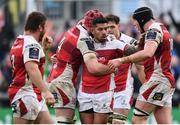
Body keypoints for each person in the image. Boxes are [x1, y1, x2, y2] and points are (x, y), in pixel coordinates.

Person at [47, 9, 116, 124]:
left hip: (57, 77)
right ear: (92, 28)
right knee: (65, 122)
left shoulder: (76, 28)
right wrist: (112, 67)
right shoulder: (84, 39)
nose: (104, 31)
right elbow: (92, 68)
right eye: (99, 28)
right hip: (64, 81)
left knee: (66, 121)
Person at [108, 7, 175, 124]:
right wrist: (138, 48)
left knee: (138, 120)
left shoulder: (152, 30)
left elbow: (148, 53)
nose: (136, 28)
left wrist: (121, 60)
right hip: (165, 81)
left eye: (135, 24)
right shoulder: (162, 28)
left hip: (157, 80)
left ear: (141, 20)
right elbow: (150, 58)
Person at [8, 11, 55, 124]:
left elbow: (31, 65)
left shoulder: (19, 41)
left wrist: (43, 49)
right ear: (40, 27)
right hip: (25, 94)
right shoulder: (31, 44)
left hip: (32, 94)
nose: (46, 31)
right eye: (45, 27)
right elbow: (31, 69)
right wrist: (46, 91)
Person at [105, 14, 146, 124]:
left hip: (123, 90)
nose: (109, 30)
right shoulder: (101, 42)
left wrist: (146, 88)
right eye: (106, 28)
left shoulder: (130, 42)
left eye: (112, 27)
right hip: (104, 90)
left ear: (119, 26)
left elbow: (140, 67)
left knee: (117, 123)